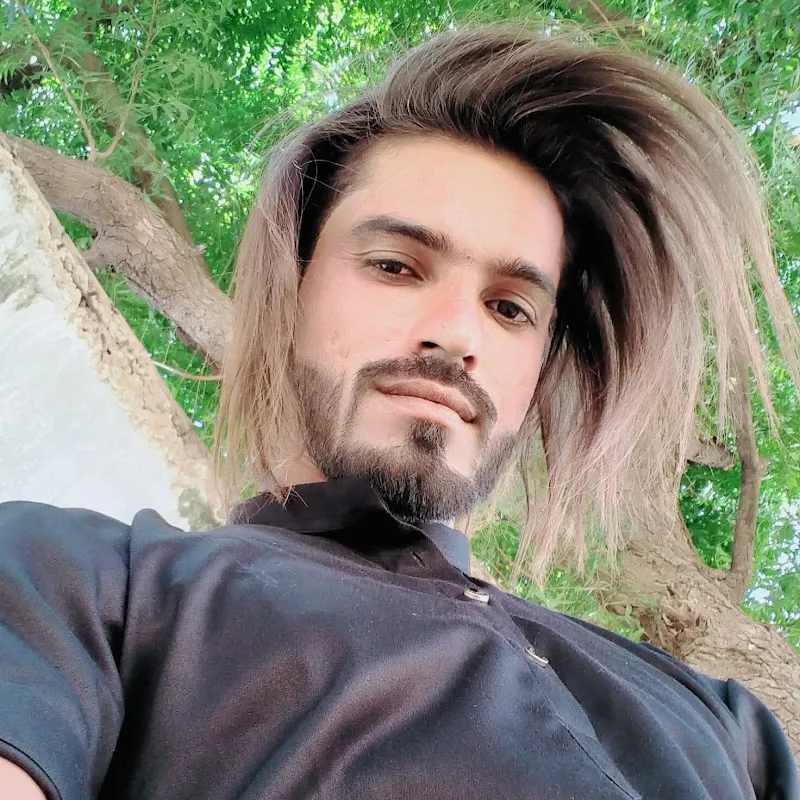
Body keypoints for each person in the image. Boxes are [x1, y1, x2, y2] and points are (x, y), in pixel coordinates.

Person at [0, 23, 798, 800]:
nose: (457, 335)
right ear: (294, 288)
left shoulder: (729, 726)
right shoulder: (78, 579)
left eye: (510, 308)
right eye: (394, 266)